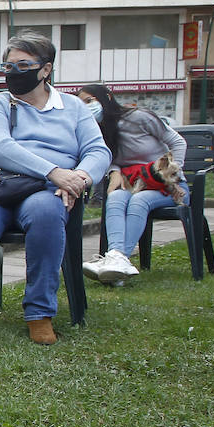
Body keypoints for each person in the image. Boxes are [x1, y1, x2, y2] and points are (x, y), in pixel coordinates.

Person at [0, 32, 110, 345]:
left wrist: (81, 177)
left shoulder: (74, 108)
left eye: (23, 65)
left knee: (47, 215)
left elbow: (99, 151)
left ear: (45, 69)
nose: (13, 73)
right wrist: (55, 171)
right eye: (8, 67)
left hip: (46, 189)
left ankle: (39, 312)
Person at [77, 84, 188, 283]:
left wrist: (172, 174)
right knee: (116, 197)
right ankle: (117, 261)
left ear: (108, 97)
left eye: (89, 101)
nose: (86, 107)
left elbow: (178, 142)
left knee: (139, 201)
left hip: (167, 186)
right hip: (133, 183)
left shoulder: (139, 117)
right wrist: (115, 171)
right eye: (81, 103)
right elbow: (107, 157)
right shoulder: (98, 130)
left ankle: (117, 260)